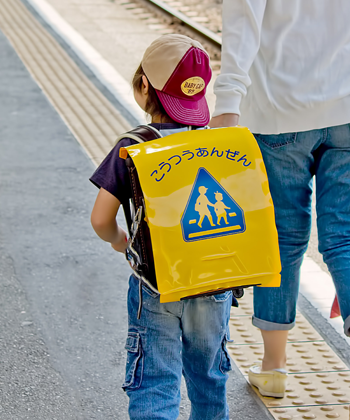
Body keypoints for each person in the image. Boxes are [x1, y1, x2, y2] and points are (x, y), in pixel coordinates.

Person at [210, 1, 350, 418]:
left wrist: (228, 104)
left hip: (281, 114)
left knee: (282, 238)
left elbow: (243, 19)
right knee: (348, 237)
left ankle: (274, 367)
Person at [90, 34, 232, 420]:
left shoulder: (133, 146)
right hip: (214, 283)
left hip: (156, 283)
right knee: (209, 379)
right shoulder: (219, 146)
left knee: (154, 379)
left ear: (143, 86)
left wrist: (121, 242)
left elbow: (101, 219)